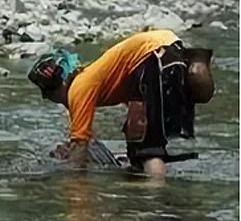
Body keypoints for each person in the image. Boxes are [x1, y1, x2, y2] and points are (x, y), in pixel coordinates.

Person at [28, 29, 210, 179]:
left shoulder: (78, 88)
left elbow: (81, 146)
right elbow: (89, 134)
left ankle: (157, 203)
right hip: (167, 53)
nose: (47, 98)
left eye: (47, 93)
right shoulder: (96, 77)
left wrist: (74, 182)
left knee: (150, 150)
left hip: (152, 55)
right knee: (138, 147)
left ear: (59, 87)